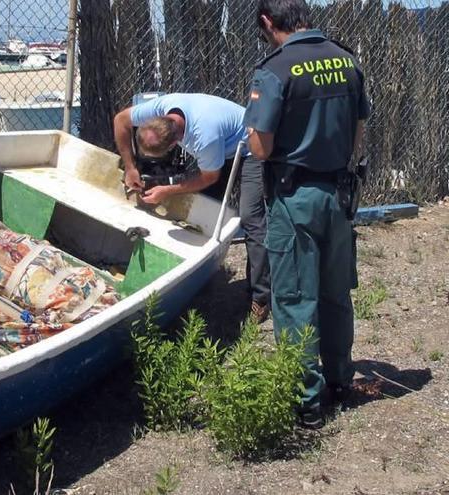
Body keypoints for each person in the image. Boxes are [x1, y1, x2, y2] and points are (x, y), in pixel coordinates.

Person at [244, 0, 370, 427]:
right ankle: (340, 381)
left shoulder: (276, 69)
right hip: (338, 193)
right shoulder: (346, 60)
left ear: (267, 22)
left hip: (294, 197)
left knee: (296, 296)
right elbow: (358, 131)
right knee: (336, 292)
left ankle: (306, 401)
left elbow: (260, 147)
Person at [114, 93, 271, 322]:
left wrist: (167, 191)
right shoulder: (160, 107)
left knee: (251, 217)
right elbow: (121, 120)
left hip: (249, 148)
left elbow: (210, 177)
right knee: (204, 210)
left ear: (176, 141)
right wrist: (130, 167)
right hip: (222, 146)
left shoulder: (203, 135)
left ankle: (260, 297)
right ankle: (201, 275)